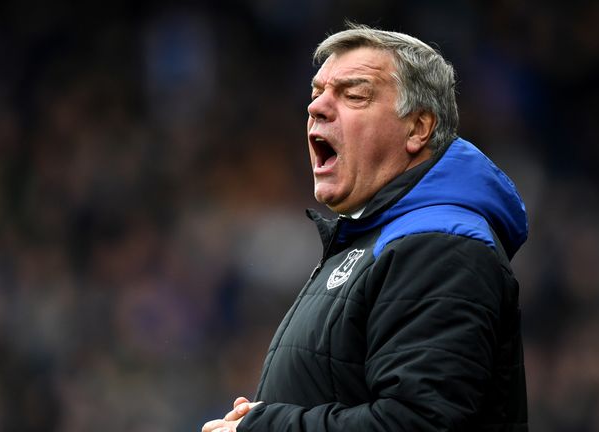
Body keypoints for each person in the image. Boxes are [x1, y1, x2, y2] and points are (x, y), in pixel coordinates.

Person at [202, 23, 529, 432]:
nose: (316, 108)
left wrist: (266, 427)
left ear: (417, 128)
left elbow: (418, 423)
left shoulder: (441, 245)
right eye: (316, 93)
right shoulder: (375, 241)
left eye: (353, 95)